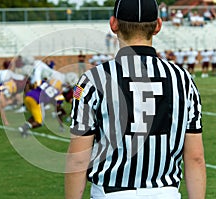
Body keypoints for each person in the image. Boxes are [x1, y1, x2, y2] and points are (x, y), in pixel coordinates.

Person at [65, 0, 206, 199]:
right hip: (165, 192)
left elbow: (78, 159)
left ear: (113, 24)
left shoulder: (92, 80)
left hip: (111, 192)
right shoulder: (182, 79)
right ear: (158, 25)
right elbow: (196, 158)